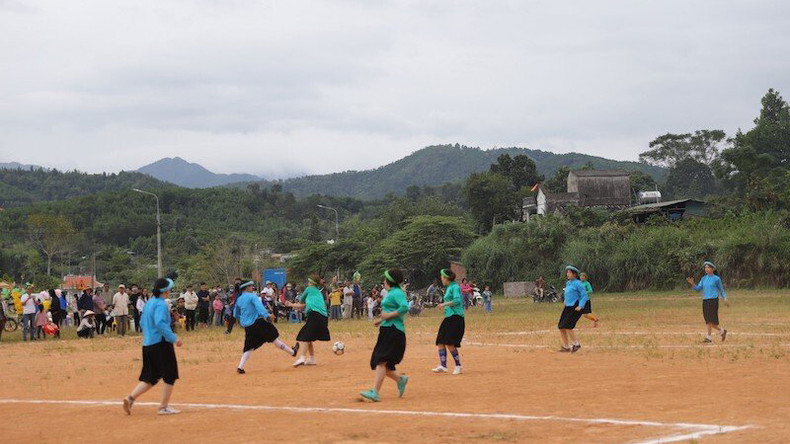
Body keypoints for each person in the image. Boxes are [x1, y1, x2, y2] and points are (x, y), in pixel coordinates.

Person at [122, 278, 183, 416]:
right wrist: (174, 338)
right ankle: (163, 407)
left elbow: (142, 323)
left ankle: (130, 398)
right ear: (165, 291)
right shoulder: (161, 304)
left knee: (151, 377)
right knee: (170, 374)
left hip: (148, 344)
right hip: (161, 344)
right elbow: (160, 323)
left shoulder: (149, 303)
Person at [359, 269, 410, 402]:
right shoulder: (391, 292)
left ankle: (375, 392)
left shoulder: (397, 292)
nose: (383, 281)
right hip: (387, 329)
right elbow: (389, 311)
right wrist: (381, 320)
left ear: (389, 281)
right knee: (381, 362)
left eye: (385, 279)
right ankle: (400, 380)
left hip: (393, 331)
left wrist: (388, 316)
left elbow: (404, 307)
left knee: (381, 360)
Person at [233, 281, 298, 374]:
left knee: (249, 346)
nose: (252, 287)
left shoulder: (239, 299)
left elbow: (235, 314)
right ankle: (292, 352)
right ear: (246, 288)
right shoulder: (252, 296)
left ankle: (240, 367)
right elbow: (259, 307)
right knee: (274, 339)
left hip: (248, 326)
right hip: (259, 323)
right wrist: (266, 316)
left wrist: (244, 319)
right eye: (251, 286)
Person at [286, 274, 331, 367]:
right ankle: (311, 359)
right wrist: (291, 305)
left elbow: (301, 302)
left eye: (309, 281)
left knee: (305, 336)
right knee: (308, 337)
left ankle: (302, 358)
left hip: (315, 315)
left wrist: (290, 304)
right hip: (323, 318)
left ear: (311, 283)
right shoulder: (317, 292)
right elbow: (303, 305)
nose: (308, 283)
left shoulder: (309, 289)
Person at [687, 261, 729, 343]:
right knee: (707, 320)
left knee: (711, 320)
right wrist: (693, 284)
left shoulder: (716, 279)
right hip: (705, 300)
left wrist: (725, 298)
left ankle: (710, 337)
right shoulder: (703, 278)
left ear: (712, 269)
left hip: (713, 300)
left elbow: (721, 290)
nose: (706, 269)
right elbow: (698, 289)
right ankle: (721, 331)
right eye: (705, 268)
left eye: (708, 267)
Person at [433, 269, 465, 375]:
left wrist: (444, 304)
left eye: (442, 277)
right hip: (449, 317)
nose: (441, 279)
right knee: (440, 341)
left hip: (455, 318)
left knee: (450, 343)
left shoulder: (455, 287)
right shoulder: (449, 287)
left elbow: (457, 301)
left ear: (446, 278)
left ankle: (458, 366)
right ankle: (443, 365)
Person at [558, 266, 588, 353]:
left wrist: (580, 306)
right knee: (561, 326)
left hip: (575, 307)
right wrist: (565, 300)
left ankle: (576, 344)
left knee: (568, 326)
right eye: (567, 272)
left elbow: (584, 296)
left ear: (574, 274)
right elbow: (568, 293)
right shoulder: (568, 283)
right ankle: (566, 347)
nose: (567, 274)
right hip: (568, 306)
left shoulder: (578, 283)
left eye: (569, 272)